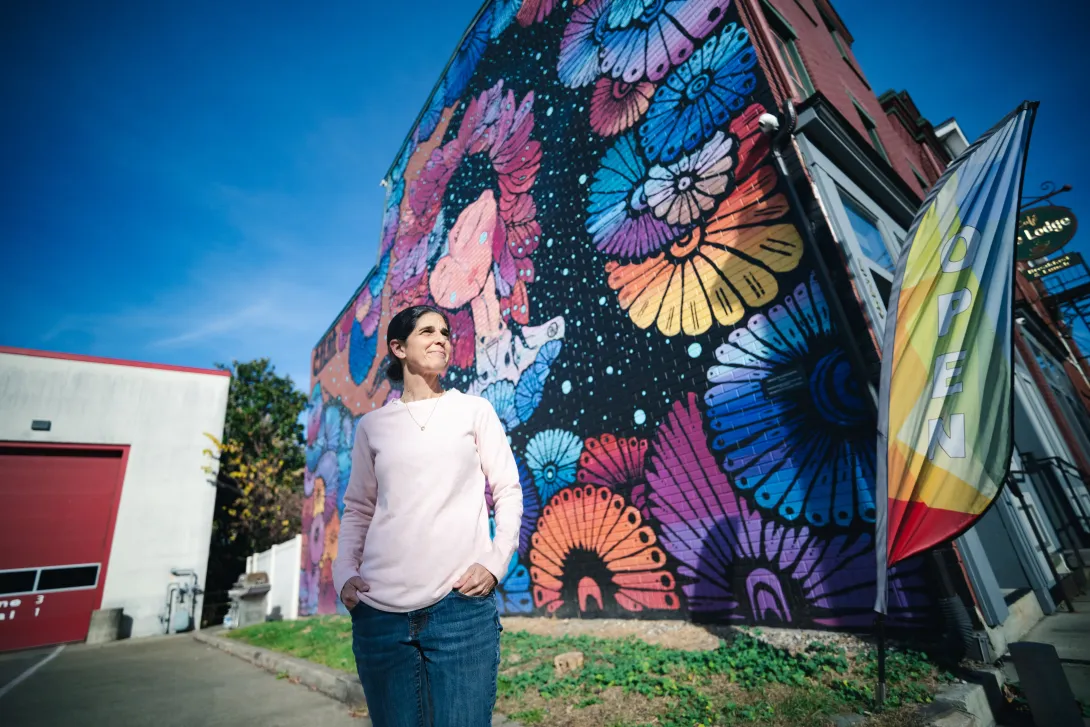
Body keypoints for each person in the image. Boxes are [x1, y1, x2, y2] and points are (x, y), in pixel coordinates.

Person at [333, 304, 523, 727]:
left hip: (460, 609)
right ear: (398, 347)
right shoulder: (373, 427)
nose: (441, 339)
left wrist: (495, 563)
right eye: (427, 332)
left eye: (445, 332)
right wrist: (343, 572)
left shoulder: (474, 411)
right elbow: (359, 508)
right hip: (379, 616)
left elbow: (507, 490)